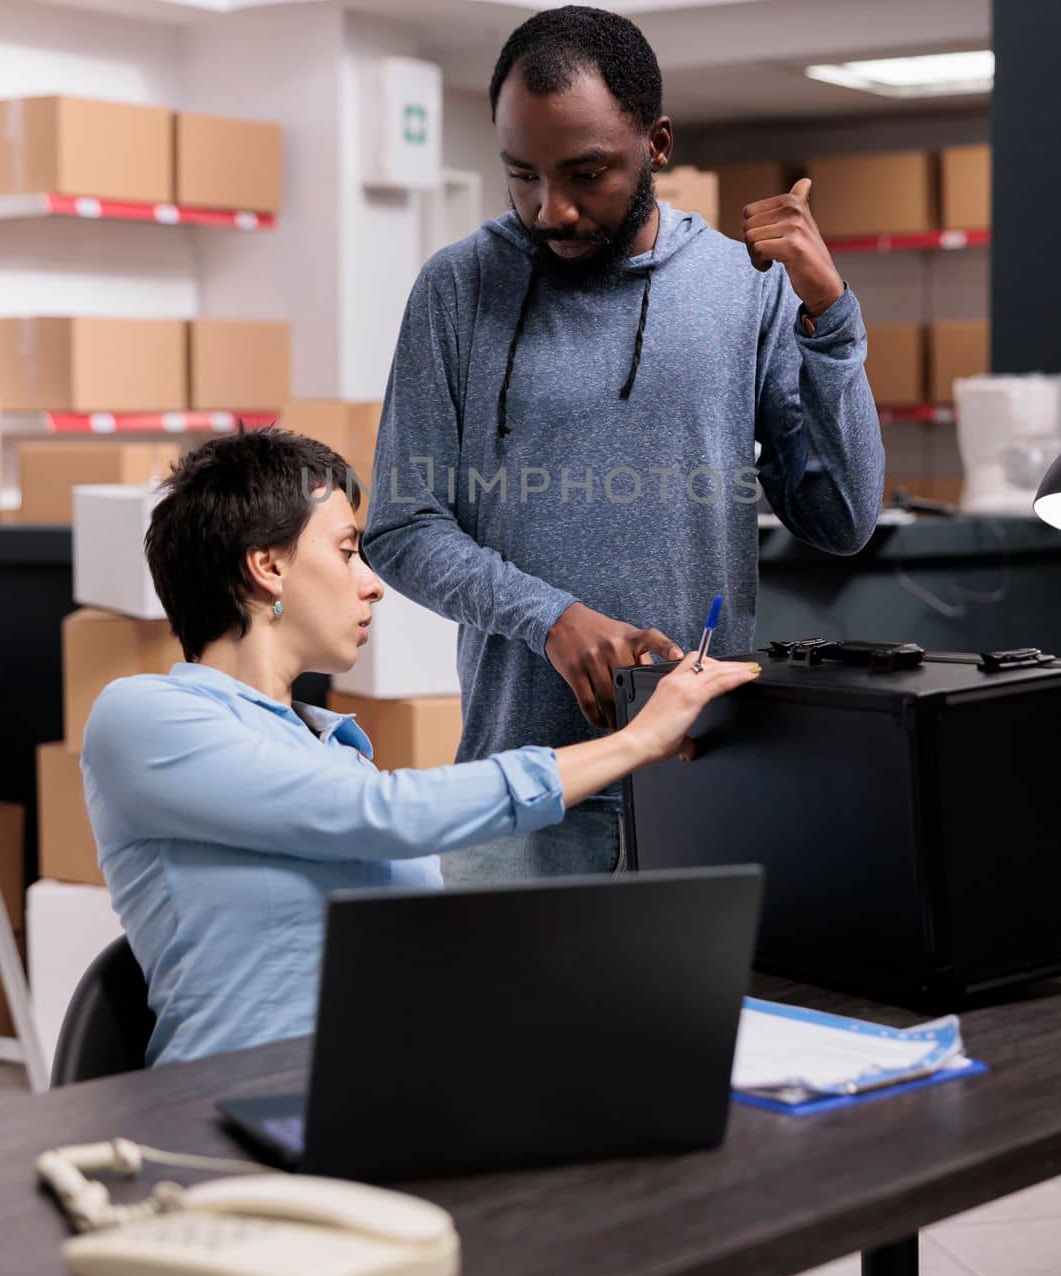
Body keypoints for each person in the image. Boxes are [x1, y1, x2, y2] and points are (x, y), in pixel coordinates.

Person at [363, 5, 885, 884]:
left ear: (658, 145)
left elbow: (841, 516)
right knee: (509, 1027)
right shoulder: (458, 289)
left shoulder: (740, 286)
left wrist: (829, 318)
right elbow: (401, 526)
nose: (549, 208)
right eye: (521, 175)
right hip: (520, 796)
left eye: (586, 174)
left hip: (705, 783)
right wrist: (550, 618)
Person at [81, 427, 759, 1065]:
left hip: (383, 1089)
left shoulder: (328, 747)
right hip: (228, 1111)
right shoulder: (144, 718)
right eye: (347, 551)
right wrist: (638, 740)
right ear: (267, 566)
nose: (373, 582)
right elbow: (385, 814)